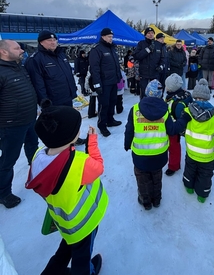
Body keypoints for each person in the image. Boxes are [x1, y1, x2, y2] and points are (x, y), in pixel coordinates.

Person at [26, 100, 108, 275]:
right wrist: (92, 143)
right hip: (84, 223)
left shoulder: (38, 156)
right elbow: (99, 167)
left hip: (63, 221)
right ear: (71, 136)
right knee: (82, 257)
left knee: (65, 250)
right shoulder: (79, 163)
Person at [124, 79, 191, 210]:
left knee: (142, 179)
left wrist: (127, 144)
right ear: (160, 95)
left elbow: (129, 130)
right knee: (156, 177)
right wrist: (184, 118)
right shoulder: (165, 111)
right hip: (159, 155)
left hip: (140, 155)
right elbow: (172, 130)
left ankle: (145, 200)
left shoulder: (135, 109)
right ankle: (157, 199)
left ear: (146, 92)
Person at [0, 40, 38, 209]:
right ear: (4, 52)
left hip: (29, 119)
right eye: (17, 48)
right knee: (9, 159)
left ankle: (36, 173)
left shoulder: (18, 66)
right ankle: (3, 193)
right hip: (11, 125)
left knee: (33, 148)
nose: (21, 50)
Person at [182, 79, 214, 203]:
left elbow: (182, 127)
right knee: (205, 174)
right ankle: (202, 194)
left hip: (191, 151)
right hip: (208, 154)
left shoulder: (187, 111)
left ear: (195, 96)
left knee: (190, 169)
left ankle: (189, 186)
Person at [25, 30, 77, 107]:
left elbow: (68, 74)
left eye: (54, 40)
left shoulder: (61, 55)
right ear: (41, 42)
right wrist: (44, 101)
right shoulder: (35, 59)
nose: (53, 42)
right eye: (49, 40)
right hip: (53, 101)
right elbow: (37, 83)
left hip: (67, 97)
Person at [89, 28, 122, 137]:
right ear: (103, 37)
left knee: (112, 101)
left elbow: (116, 66)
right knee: (104, 104)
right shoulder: (97, 50)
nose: (111, 39)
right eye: (109, 37)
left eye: (112, 37)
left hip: (113, 81)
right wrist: (97, 84)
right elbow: (95, 69)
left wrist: (119, 78)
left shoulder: (112, 48)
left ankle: (110, 120)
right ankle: (102, 125)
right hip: (104, 83)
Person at [164, 73, 193, 176]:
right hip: (182, 123)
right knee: (174, 146)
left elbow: (173, 114)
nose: (165, 87)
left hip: (174, 127)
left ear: (171, 88)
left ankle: (173, 166)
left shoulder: (173, 101)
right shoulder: (185, 94)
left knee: (174, 147)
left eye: (167, 85)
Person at [132, 27, 165, 99]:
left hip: (155, 73)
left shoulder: (158, 44)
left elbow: (162, 58)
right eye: (148, 33)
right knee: (144, 94)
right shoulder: (141, 44)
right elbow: (137, 56)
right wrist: (148, 50)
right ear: (145, 35)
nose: (151, 35)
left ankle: (155, 108)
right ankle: (144, 108)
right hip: (144, 74)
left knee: (156, 92)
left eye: (152, 33)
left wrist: (161, 66)